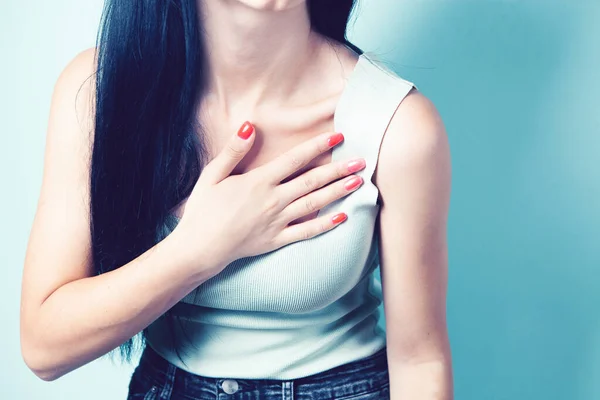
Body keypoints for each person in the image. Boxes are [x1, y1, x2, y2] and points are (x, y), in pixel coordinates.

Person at [20, 0, 453, 399]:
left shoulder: (397, 126)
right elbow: (44, 347)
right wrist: (203, 247)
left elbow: (420, 361)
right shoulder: (98, 90)